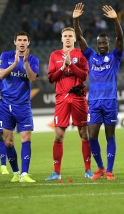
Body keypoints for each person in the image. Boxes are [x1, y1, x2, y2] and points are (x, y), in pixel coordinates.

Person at [73, 3, 124, 180]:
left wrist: (116, 20)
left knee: (110, 135)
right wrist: (75, 19)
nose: (102, 45)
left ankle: (109, 170)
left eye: (104, 43)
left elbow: (120, 38)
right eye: (99, 43)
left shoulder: (115, 57)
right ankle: (100, 168)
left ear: (109, 44)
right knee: (91, 136)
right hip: (94, 102)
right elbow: (78, 37)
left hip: (110, 100)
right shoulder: (90, 56)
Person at [45, 27, 93, 181]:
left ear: (74, 38)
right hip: (61, 98)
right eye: (64, 36)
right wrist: (63, 66)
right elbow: (51, 78)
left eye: (70, 36)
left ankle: (88, 170)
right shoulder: (54, 55)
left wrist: (71, 65)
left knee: (84, 134)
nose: (67, 38)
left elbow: (84, 75)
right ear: (61, 38)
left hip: (78, 97)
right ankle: (56, 172)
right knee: (58, 135)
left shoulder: (80, 54)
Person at [0, 31, 39, 183]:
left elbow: (33, 78)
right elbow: (1, 75)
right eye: (19, 40)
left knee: (26, 138)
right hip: (6, 105)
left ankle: (24, 174)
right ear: (15, 42)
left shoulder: (33, 59)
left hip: (23, 105)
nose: (22, 42)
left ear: (28, 43)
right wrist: (15, 63)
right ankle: (16, 172)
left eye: (25, 40)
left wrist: (26, 63)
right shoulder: (5, 56)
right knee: (8, 142)